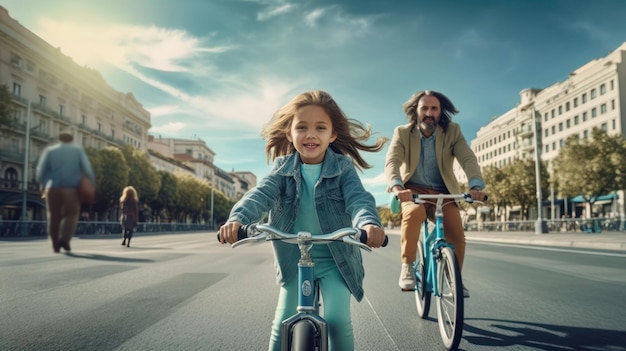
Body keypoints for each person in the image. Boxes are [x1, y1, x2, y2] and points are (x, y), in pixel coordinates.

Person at [219, 90, 387, 351]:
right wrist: (238, 220)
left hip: (336, 260)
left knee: (338, 321)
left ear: (332, 135)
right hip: (294, 260)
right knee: (282, 324)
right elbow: (260, 194)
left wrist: (369, 224)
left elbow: (359, 199)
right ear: (290, 133)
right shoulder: (282, 168)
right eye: (302, 127)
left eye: (320, 127)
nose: (311, 134)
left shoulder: (343, 168)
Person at [384, 90, 486, 296]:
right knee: (413, 214)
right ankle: (408, 266)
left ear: (440, 113)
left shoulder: (453, 132)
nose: (429, 113)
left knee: (456, 233)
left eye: (434, 108)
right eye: (424, 108)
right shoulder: (403, 132)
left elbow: (468, 158)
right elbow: (393, 160)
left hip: (444, 192)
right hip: (412, 191)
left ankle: (453, 278)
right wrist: (397, 186)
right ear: (416, 111)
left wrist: (475, 185)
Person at [36, 131, 95, 253]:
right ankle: (65, 239)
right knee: (71, 214)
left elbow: (41, 170)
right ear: (72, 140)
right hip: (71, 188)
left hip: (52, 187)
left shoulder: (50, 151)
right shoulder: (77, 151)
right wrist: (91, 185)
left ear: (59, 139)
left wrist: (42, 185)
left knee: (53, 216)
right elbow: (87, 168)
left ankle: (55, 245)